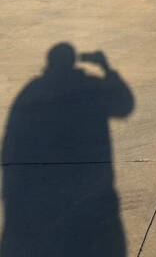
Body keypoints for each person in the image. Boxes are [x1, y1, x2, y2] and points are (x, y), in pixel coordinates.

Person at [1, 43, 134, 257]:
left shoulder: (31, 94)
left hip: (43, 198)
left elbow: (11, 148)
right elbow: (124, 105)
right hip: (93, 195)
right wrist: (107, 69)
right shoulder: (90, 88)